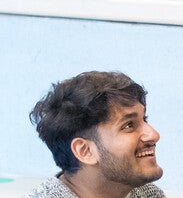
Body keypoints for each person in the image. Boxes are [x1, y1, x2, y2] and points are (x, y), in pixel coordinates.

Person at [27, 71, 166, 198]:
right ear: (85, 151)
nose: (154, 134)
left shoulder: (149, 195)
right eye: (129, 125)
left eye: (144, 119)